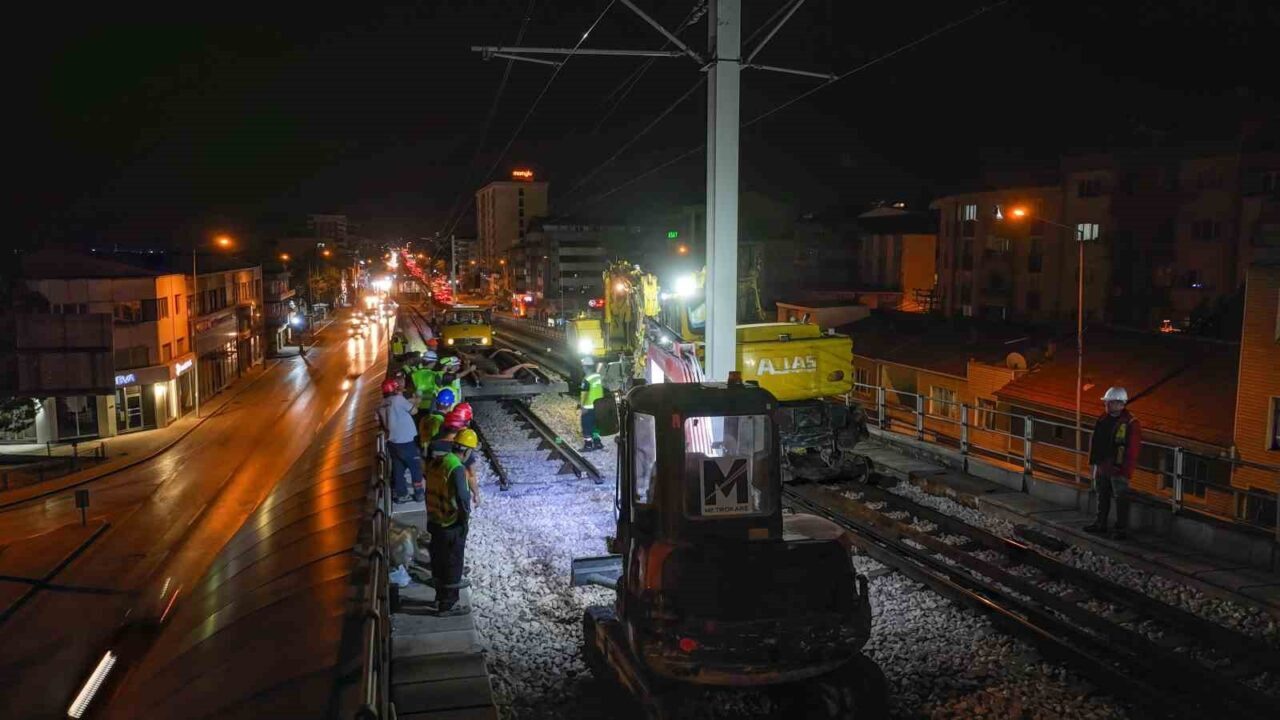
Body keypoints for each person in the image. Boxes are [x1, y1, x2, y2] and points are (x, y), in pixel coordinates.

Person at [425, 428, 479, 615]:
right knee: (452, 564)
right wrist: (464, 521)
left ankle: (439, 598)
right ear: (467, 451)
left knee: (438, 561)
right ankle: (448, 605)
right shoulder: (456, 467)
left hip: (433, 519)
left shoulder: (437, 461)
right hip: (450, 523)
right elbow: (463, 498)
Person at [1084, 386, 1142, 540]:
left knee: (1121, 499)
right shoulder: (1104, 418)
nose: (1106, 405)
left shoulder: (1130, 423)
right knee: (1102, 495)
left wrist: (1125, 471)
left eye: (1109, 402)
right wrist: (1094, 463)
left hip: (1118, 468)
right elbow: (1097, 441)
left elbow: (1132, 450)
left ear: (1119, 403)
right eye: (1107, 402)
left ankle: (1121, 529)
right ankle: (1100, 523)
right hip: (1103, 465)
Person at [376, 378, 422, 503]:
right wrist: (416, 401)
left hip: (393, 443)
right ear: (394, 389)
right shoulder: (398, 400)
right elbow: (414, 411)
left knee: (398, 469)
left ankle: (401, 495)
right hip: (406, 441)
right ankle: (419, 493)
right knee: (415, 467)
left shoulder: (381, 404)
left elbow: (378, 421)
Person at [579, 359, 605, 451]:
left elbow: (584, 395)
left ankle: (588, 445)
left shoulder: (586, 380)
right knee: (596, 425)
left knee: (586, 425)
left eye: (583, 366)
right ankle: (597, 443)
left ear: (585, 367)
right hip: (598, 406)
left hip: (588, 407)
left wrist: (582, 407)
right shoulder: (598, 376)